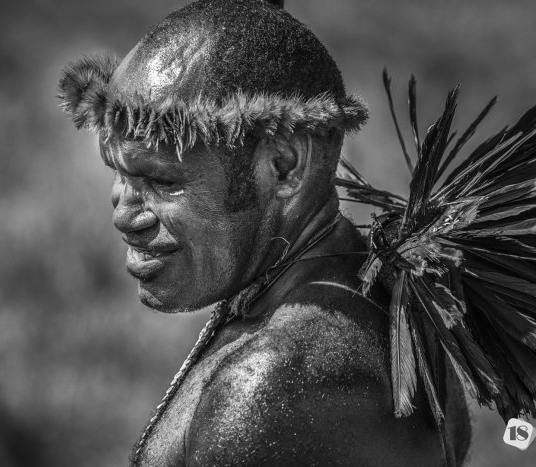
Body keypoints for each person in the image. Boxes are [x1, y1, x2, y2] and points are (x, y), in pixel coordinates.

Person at [58, 0, 470, 465]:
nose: (124, 214)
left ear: (284, 166)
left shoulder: (276, 383)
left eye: (161, 181)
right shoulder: (378, 299)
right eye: (117, 171)